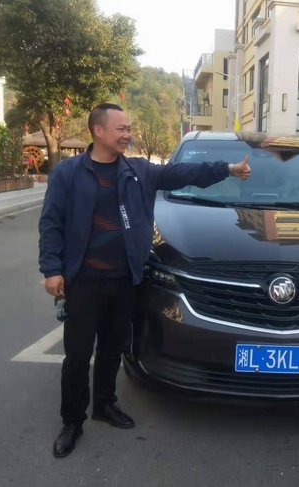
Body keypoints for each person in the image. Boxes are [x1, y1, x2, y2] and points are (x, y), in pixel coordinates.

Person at [38, 103, 251, 458]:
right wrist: (51, 269)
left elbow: (183, 173)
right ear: (98, 131)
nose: (128, 134)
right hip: (84, 281)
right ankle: (72, 421)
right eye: (121, 129)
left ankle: (104, 404)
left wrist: (227, 169)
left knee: (113, 348)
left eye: (128, 128)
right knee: (77, 356)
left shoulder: (138, 171)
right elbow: (51, 222)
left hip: (126, 280)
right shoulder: (68, 173)